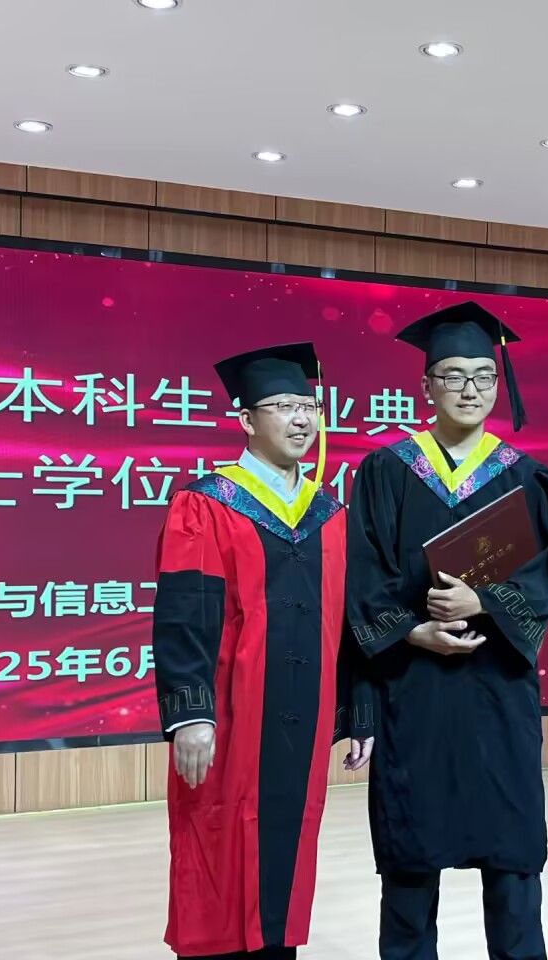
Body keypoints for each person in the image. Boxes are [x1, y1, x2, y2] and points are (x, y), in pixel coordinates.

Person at [345, 301, 548, 960]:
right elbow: (363, 576)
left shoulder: (527, 478)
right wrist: (412, 631)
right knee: (411, 863)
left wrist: (484, 599)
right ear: (426, 386)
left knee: (513, 860)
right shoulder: (387, 472)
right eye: (452, 375)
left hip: (497, 692)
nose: (469, 389)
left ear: (498, 385)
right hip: (414, 694)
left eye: (483, 375)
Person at [152, 342, 374, 960]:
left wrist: (359, 711)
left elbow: (350, 621)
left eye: (309, 407)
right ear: (247, 419)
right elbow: (183, 617)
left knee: (289, 848)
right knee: (217, 840)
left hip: (302, 721)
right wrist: (191, 714)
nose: (301, 419)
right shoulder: (206, 504)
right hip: (230, 717)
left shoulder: (330, 514)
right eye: (283, 407)